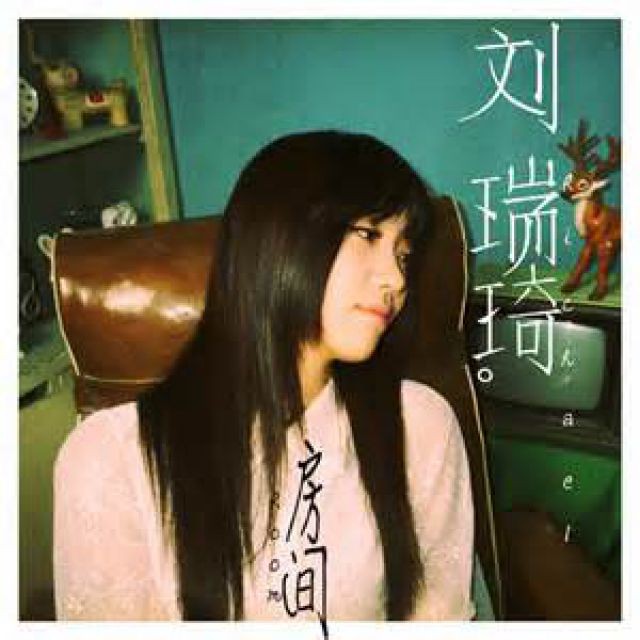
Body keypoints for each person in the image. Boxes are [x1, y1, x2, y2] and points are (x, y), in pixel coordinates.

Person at [53, 130, 476, 622]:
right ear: (278, 237)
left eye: (403, 254)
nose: (397, 279)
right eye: (368, 235)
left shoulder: (421, 425)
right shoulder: (111, 459)